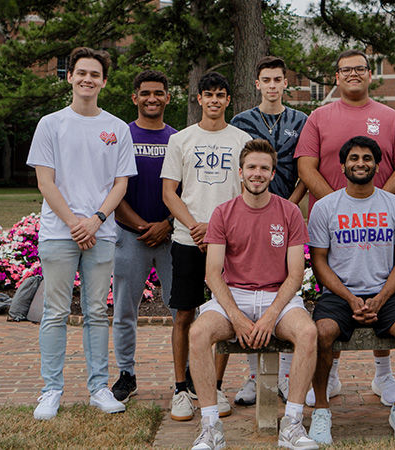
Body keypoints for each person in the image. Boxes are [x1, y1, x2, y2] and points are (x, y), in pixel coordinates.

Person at [296, 49, 395, 407]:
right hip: (332, 224)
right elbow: (307, 167)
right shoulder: (318, 117)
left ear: (370, 75)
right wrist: (341, 204)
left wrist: (374, 202)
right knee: (339, 292)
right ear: (336, 76)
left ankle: (383, 376)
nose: (353, 74)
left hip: (379, 222)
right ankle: (329, 377)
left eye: (360, 69)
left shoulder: (390, 117)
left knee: (378, 279)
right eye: (345, 69)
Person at [188, 139, 318, 450]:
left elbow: (296, 274)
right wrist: (236, 316)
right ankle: (210, 429)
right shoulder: (223, 213)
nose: (257, 173)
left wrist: (271, 315)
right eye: (251, 167)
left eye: (264, 168)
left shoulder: (289, 212)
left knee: (308, 332)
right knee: (198, 333)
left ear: (273, 173)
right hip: (234, 295)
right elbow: (213, 272)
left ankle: (292, 426)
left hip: (279, 297)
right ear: (240, 172)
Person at [28, 47, 135, 420]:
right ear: (70, 77)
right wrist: (75, 222)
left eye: (95, 74)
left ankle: (99, 388)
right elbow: (45, 181)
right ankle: (51, 390)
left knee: (95, 312)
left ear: (104, 81)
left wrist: (96, 219)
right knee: (55, 313)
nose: (88, 79)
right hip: (59, 232)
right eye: (82, 73)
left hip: (101, 234)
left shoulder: (118, 128)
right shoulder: (50, 124)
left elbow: (121, 184)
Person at [306, 136, 395, 444]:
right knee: (321, 334)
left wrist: (381, 298)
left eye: (367, 158)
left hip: (385, 294)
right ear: (343, 165)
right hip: (338, 295)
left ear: (378, 164)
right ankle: (321, 410)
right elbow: (319, 261)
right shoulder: (325, 207)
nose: (361, 163)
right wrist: (350, 298)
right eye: (354, 158)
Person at [161, 71, 252, 421]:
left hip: (228, 244)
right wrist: (194, 226)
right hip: (188, 239)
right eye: (208, 95)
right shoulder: (181, 140)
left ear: (229, 100)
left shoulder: (242, 139)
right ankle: (182, 387)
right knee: (184, 314)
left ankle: (211, 385)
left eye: (221, 95)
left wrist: (219, 230)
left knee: (226, 315)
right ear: (198, 99)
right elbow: (170, 192)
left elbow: (248, 190)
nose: (214, 100)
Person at [228, 56, 309, 406]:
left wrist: (288, 205)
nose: (273, 85)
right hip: (250, 215)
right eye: (266, 79)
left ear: (285, 83)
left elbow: (307, 169)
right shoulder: (241, 121)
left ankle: (287, 376)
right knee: (251, 285)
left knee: (284, 286)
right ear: (257, 83)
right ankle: (252, 377)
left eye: (279, 79)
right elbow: (241, 171)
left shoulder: (301, 121)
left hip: (288, 211)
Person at [111, 70, 178, 403]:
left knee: (181, 307)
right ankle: (127, 374)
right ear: (134, 97)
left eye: (159, 93)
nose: (152, 98)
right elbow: (112, 189)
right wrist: (142, 226)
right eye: (146, 93)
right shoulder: (121, 136)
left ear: (168, 97)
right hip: (129, 236)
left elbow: (186, 191)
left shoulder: (178, 139)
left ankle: (187, 375)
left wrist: (166, 223)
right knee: (125, 309)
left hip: (171, 236)